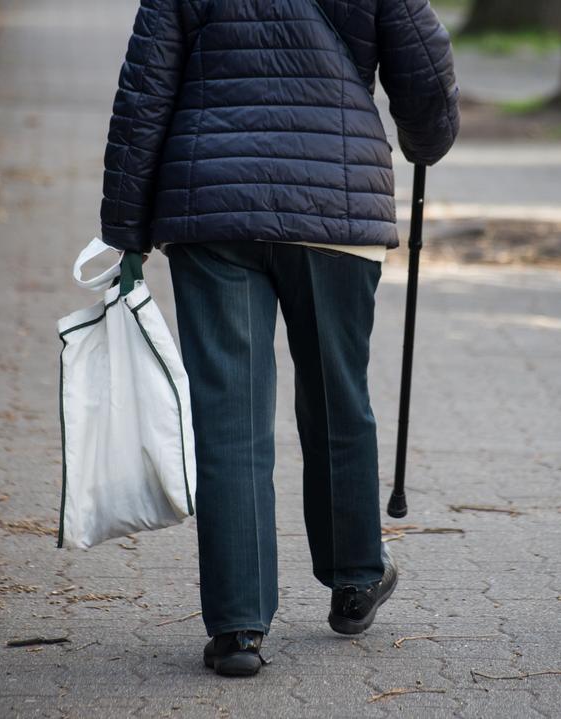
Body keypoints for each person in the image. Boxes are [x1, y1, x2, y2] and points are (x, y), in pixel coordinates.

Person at [99, 0, 459, 677]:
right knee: (336, 396)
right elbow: (427, 75)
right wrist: (425, 140)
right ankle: (355, 578)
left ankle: (238, 626)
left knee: (230, 416)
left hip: (212, 205)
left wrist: (126, 228)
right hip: (337, 202)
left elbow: (145, 89)